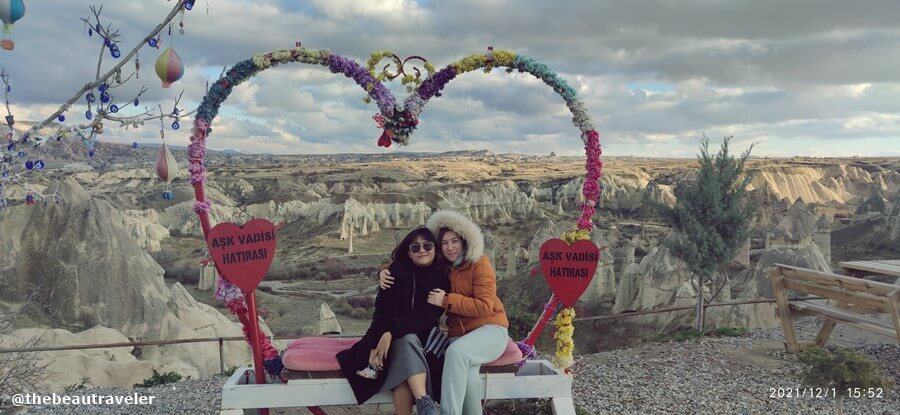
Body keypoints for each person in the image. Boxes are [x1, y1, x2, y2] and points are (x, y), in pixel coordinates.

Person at [380, 210, 509, 415]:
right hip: (460, 336)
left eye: (454, 241)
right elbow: (411, 266)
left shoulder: (479, 263)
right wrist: (384, 271)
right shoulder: (444, 268)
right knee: (470, 381)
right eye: (444, 243)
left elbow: (485, 305)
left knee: (455, 353)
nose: (449, 247)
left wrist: (446, 300)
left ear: (465, 241)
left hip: (490, 330)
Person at [337, 227, 449, 415]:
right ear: (408, 252)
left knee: (408, 343)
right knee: (406, 343)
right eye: (415, 247)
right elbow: (381, 313)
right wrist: (376, 340)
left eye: (427, 246)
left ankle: (423, 402)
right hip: (388, 345)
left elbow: (426, 316)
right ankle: (425, 404)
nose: (422, 250)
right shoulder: (394, 273)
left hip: (424, 345)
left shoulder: (442, 278)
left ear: (435, 249)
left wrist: (390, 333)